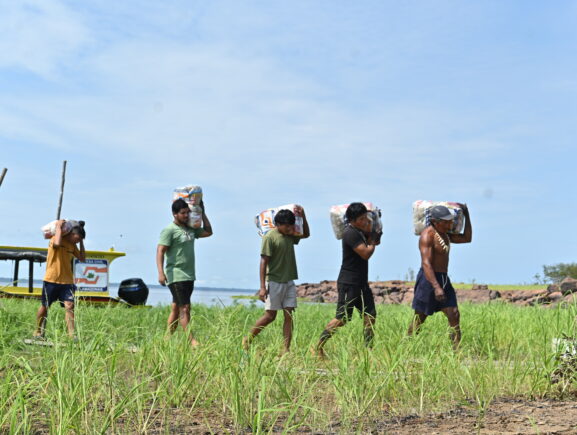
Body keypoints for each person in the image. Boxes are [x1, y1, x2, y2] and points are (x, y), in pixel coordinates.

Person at [313, 202, 381, 359]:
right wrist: (371, 239)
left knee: (369, 316)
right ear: (354, 219)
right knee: (342, 318)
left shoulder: (360, 231)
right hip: (349, 282)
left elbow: (375, 241)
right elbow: (366, 253)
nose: (366, 221)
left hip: (361, 282)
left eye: (366, 217)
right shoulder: (350, 233)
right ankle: (317, 347)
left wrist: (372, 230)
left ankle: (368, 351)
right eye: (363, 218)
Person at [243, 206, 310, 354]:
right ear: (278, 224)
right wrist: (262, 287)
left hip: (289, 281)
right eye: (286, 225)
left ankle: (286, 349)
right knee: (270, 316)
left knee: (289, 315)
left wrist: (303, 216)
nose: (290, 228)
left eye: (291, 225)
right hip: (274, 281)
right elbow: (263, 262)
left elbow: (306, 234)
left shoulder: (291, 235)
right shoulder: (270, 237)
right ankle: (247, 340)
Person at [407, 204, 472, 349]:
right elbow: (426, 263)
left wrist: (467, 215)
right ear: (436, 222)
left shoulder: (445, 234)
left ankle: (457, 351)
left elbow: (467, 238)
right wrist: (436, 287)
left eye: (450, 220)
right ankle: (407, 346)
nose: (450, 223)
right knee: (420, 317)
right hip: (428, 280)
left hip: (443, 278)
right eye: (446, 221)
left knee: (454, 314)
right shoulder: (427, 236)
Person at [156, 198, 213, 346]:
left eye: (188, 212)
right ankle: (192, 341)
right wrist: (161, 273)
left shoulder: (191, 228)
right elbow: (160, 251)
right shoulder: (169, 230)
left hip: (189, 274)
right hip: (176, 274)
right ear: (175, 214)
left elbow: (208, 232)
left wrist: (203, 213)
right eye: (183, 213)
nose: (186, 215)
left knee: (176, 307)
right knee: (185, 308)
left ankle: (166, 340)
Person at [34, 220, 86, 339]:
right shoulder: (55, 239)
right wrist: (58, 226)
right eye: (76, 238)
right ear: (71, 234)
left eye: (78, 240)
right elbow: (57, 243)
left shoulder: (73, 246)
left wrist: (81, 242)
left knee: (69, 306)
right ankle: (37, 331)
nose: (77, 241)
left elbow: (82, 258)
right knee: (45, 306)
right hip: (51, 279)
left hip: (67, 282)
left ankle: (71, 335)